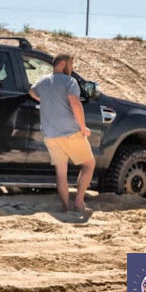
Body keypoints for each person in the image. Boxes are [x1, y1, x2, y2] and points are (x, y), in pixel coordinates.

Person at [29, 54, 96, 212]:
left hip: (50, 134)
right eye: (71, 65)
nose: (72, 69)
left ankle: (65, 207)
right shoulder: (70, 81)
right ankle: (79, 202)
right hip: (70, 132)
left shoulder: (44, 81)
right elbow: (75, 102)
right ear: (62, 64)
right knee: (89, 164)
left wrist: (44, 99)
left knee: (61, 173)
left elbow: (31, 91)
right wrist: (83, 126)